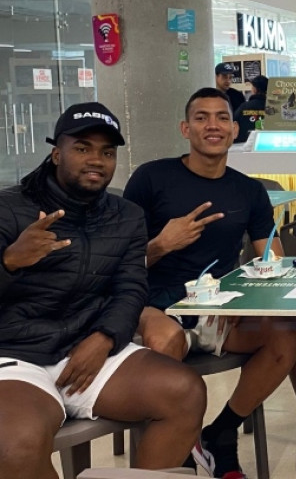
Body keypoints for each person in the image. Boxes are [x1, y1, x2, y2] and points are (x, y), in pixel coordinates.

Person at [123, 88, 296, 479]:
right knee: (166, 341)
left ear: (234, 130)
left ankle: (222, 431)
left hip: (219, 306)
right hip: (156, 304)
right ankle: (178, 445)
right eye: (201, 117)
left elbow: (272, 258)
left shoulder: (248, 190)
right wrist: (162, 244)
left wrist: (270, 281)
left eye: (220, 118)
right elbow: (118, 259)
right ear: (186, 128)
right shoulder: (151, 178)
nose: (211, 125)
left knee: (290, 334)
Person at [0, 102, 206, 478]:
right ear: (55, 152)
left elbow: (130, 289)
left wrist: (105, 337)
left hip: (86, 346)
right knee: (15, 444)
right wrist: (9, 262)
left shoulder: (126, 215)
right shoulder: (8, 208)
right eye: (82, 148)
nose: (96, 159)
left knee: (184, 391)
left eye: (107, 152)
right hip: (15, 356)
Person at [234, 75, 268, 143]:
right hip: (267, 145)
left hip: (244, 147)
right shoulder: (273, 108)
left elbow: (234, 125)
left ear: (254, 89)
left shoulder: (243, 107)